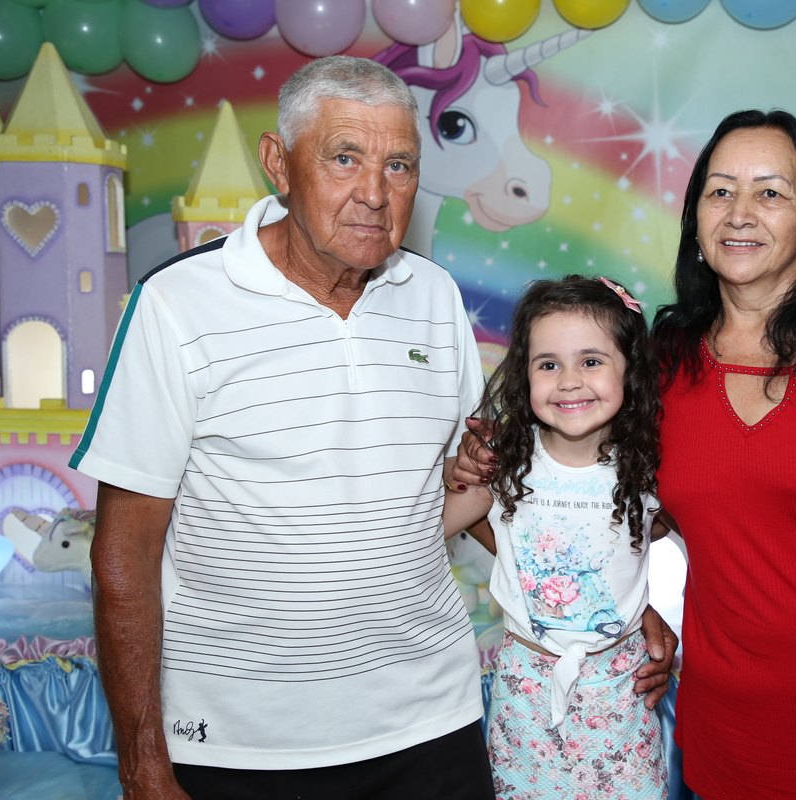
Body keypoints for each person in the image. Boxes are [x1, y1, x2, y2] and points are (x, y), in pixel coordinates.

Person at [70, 56, 675, 800]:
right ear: (278, 163)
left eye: (400, 165)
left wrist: (610, 606)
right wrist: (141, 765)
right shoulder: (176, 305)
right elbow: (124, 548)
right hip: (239, 743)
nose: (375, 193)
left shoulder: (433, 296)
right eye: (344, 158)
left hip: (431, 725)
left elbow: (480, 490)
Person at [453, 108, 796, 800]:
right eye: (719, 191)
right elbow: (588, 513)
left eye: (770, 192)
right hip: (733, 741)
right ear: (695, 222)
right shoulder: (656, 371)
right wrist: (617, 611)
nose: (740, 212)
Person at [443, 276, 670, 800]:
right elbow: (416, 530)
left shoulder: (652, 469)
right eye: (548, 364)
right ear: (524, 375)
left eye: (591, 361)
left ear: (631, 370)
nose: (569, 381)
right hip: (525, 699)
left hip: (623, 696)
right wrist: (448, 470)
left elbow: (712, 542)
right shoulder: (504, 466)